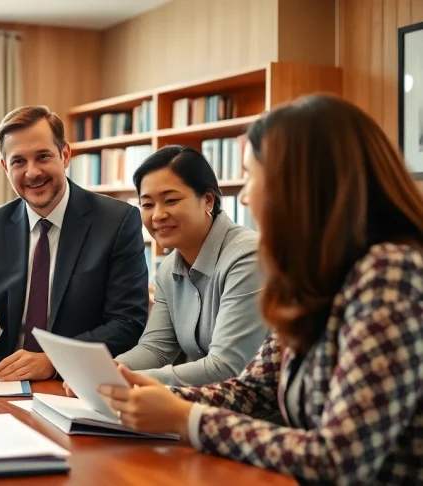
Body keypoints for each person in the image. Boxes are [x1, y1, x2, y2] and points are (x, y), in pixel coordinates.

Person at [94, 94, 423, 484]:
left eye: (251, 175)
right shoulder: (309, 273)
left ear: (299, 180)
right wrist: (158, 397)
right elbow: (254, 388)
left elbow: (338, 458)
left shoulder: (390, 272)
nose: (246, 195)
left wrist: (185, 416)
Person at [0, 105, 149, 384]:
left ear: (65, 154)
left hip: (79, 381)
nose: (32, 172)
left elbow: (127, 323)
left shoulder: (117, 221)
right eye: (18, 161)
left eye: (43, 156)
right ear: (5, 167)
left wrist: (54, 361)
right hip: (2, 378)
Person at [113, 145, 266, 386]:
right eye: (147, 205)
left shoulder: (248, 257)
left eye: (171, 200)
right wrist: (110, 370)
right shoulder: (167, 269)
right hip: (203, 404)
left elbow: (226, 367)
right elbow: (156, 349)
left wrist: (127, 380)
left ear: (207, 199)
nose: (158, 215)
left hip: (255, 415)